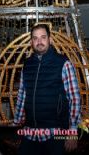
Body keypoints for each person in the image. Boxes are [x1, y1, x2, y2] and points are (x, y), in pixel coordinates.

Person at [13, 23, 81, 154]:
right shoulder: (27, 64)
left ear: (50, 40)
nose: (39, 41)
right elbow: (22, 94)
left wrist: (72, 132)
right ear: (31, 42)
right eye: (35, 38)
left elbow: (75, 99)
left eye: (43, 37)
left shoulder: (63, 63)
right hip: (30, 131)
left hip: (55, 132)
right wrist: (17, 123)